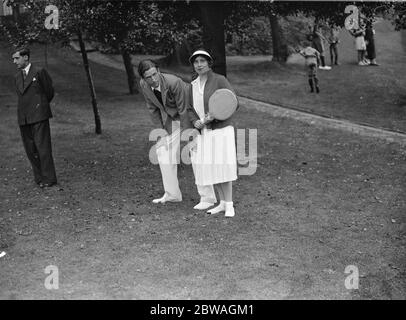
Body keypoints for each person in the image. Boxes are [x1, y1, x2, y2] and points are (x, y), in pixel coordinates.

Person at [138, 59, 216, 208]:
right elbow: (152, 109)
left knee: (195, 153)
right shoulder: (144, 85)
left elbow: (184, 109)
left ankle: (208, 198)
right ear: (143, 78)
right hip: (174, 119)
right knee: (162, 150)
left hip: (192, 115)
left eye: (155, 74)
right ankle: (172, 195)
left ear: (158, 71)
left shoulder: (174, 82)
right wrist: (160, 134)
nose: (153, 79)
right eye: (148, 77)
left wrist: (189, 136)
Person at [187, 50, 238, 217]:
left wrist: (212, 117)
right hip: (204, 132)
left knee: (224, 166)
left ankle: (229, 205)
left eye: (202, 61)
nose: (199, 64)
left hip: (221, 131)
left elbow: (233, 102)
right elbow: (189, 108)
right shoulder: (192, 84)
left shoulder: (220, 80)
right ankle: (222, 204)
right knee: (214, 168)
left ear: (209, 63)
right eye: (196, 62)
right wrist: (195, 121)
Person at [12, 47, 57, 188]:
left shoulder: (39, 71)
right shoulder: (17, 77)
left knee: (42, 148)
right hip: (24, 118)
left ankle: (49, 178)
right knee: (30, 150)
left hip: (39, 115)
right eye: (13, 59)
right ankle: (39, 178)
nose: (14, 61)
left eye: (16, 58)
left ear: (26, 57)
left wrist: (40, 107)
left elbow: (49, 92)